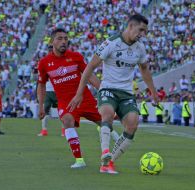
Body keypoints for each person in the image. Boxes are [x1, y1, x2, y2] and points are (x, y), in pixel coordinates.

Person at [68, 14, 159, 174]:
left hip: (126, 93)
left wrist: (154, 92)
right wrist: (79, 93)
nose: (143, 34)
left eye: (145, 31)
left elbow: (144, 70)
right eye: (141, 30)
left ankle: (109, 163)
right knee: (107, 114)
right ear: (130, 26)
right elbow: (89, 67)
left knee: (132, 123)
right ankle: (104, 151)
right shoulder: (111, 43)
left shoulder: (140, 48)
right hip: (108, 89)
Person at [37, 28, 119, 169]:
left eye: (65, 38)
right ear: (52, 42)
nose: (64, 41)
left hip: (85, 99)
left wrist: (103, 90)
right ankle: (79, 160)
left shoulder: (76, 56)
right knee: (67, 121)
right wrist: (40, 106)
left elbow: (89, 76)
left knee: (105, 123)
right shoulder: (44, 63)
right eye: (59, 38)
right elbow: (41, 85)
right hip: (66, 103)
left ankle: (119, 144)